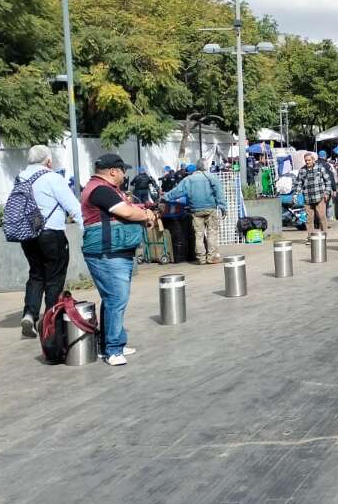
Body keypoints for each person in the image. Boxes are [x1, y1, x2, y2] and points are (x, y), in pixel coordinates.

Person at [80, 153, 156, 366]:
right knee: (116, 299)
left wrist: (142, 213)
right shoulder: (100, 190)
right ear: (113, 171)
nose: (125, 175)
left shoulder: (107, 189)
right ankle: (113, 350)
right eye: (123, 170)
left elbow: (129, 209)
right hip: (107, 253)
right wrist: (146, 215)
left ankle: (112, 345)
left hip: (114, 252)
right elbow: (125, 212)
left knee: (112, 299)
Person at [15, 145, 83, 338]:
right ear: (48, 161)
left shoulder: (20, 178)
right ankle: (50, 322)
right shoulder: (52, 177)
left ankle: (30, 314)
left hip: (28, 235)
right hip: (51, 234)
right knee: (54, 278)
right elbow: (73, 206)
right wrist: (86, 229)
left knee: (36, 274)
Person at [165, 162, 227, 264]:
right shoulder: (211, 177)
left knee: (198, 234)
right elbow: (219, 192)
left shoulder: (188, 180)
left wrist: (165, 197)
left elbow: (177, 192)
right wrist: (222, 207)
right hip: (210, 209)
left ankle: (201, 258)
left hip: (196, 210)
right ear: (204, 167)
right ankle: (211, 257)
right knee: (212, 232)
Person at [291, 152, 334, 236]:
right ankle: (311, 237)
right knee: (309, 219)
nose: (307, 162)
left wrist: (327, 193)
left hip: (320, 197)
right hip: (307, 198)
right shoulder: (302, 170)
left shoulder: (320, 168)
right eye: (306, 160)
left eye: (309, 160)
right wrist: (295, 194)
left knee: (322, 217)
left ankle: (323, 235)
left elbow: (328, 181)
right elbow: (298, 184)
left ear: (313, 160)